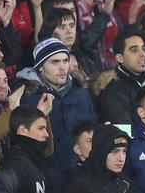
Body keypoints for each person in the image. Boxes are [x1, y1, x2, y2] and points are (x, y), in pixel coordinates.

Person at [20, 38, 96, 173]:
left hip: (84, 173)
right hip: (48, 175)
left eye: (65, 61)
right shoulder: (29, 99)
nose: (62, 67)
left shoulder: (82, 95)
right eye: (55, 62)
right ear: (40, 67)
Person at [96, 28, 145, 125]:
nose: (142, 54)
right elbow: (125, 130)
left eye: (143, 49)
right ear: (120, 58)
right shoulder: (111, 92)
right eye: (134, 50)